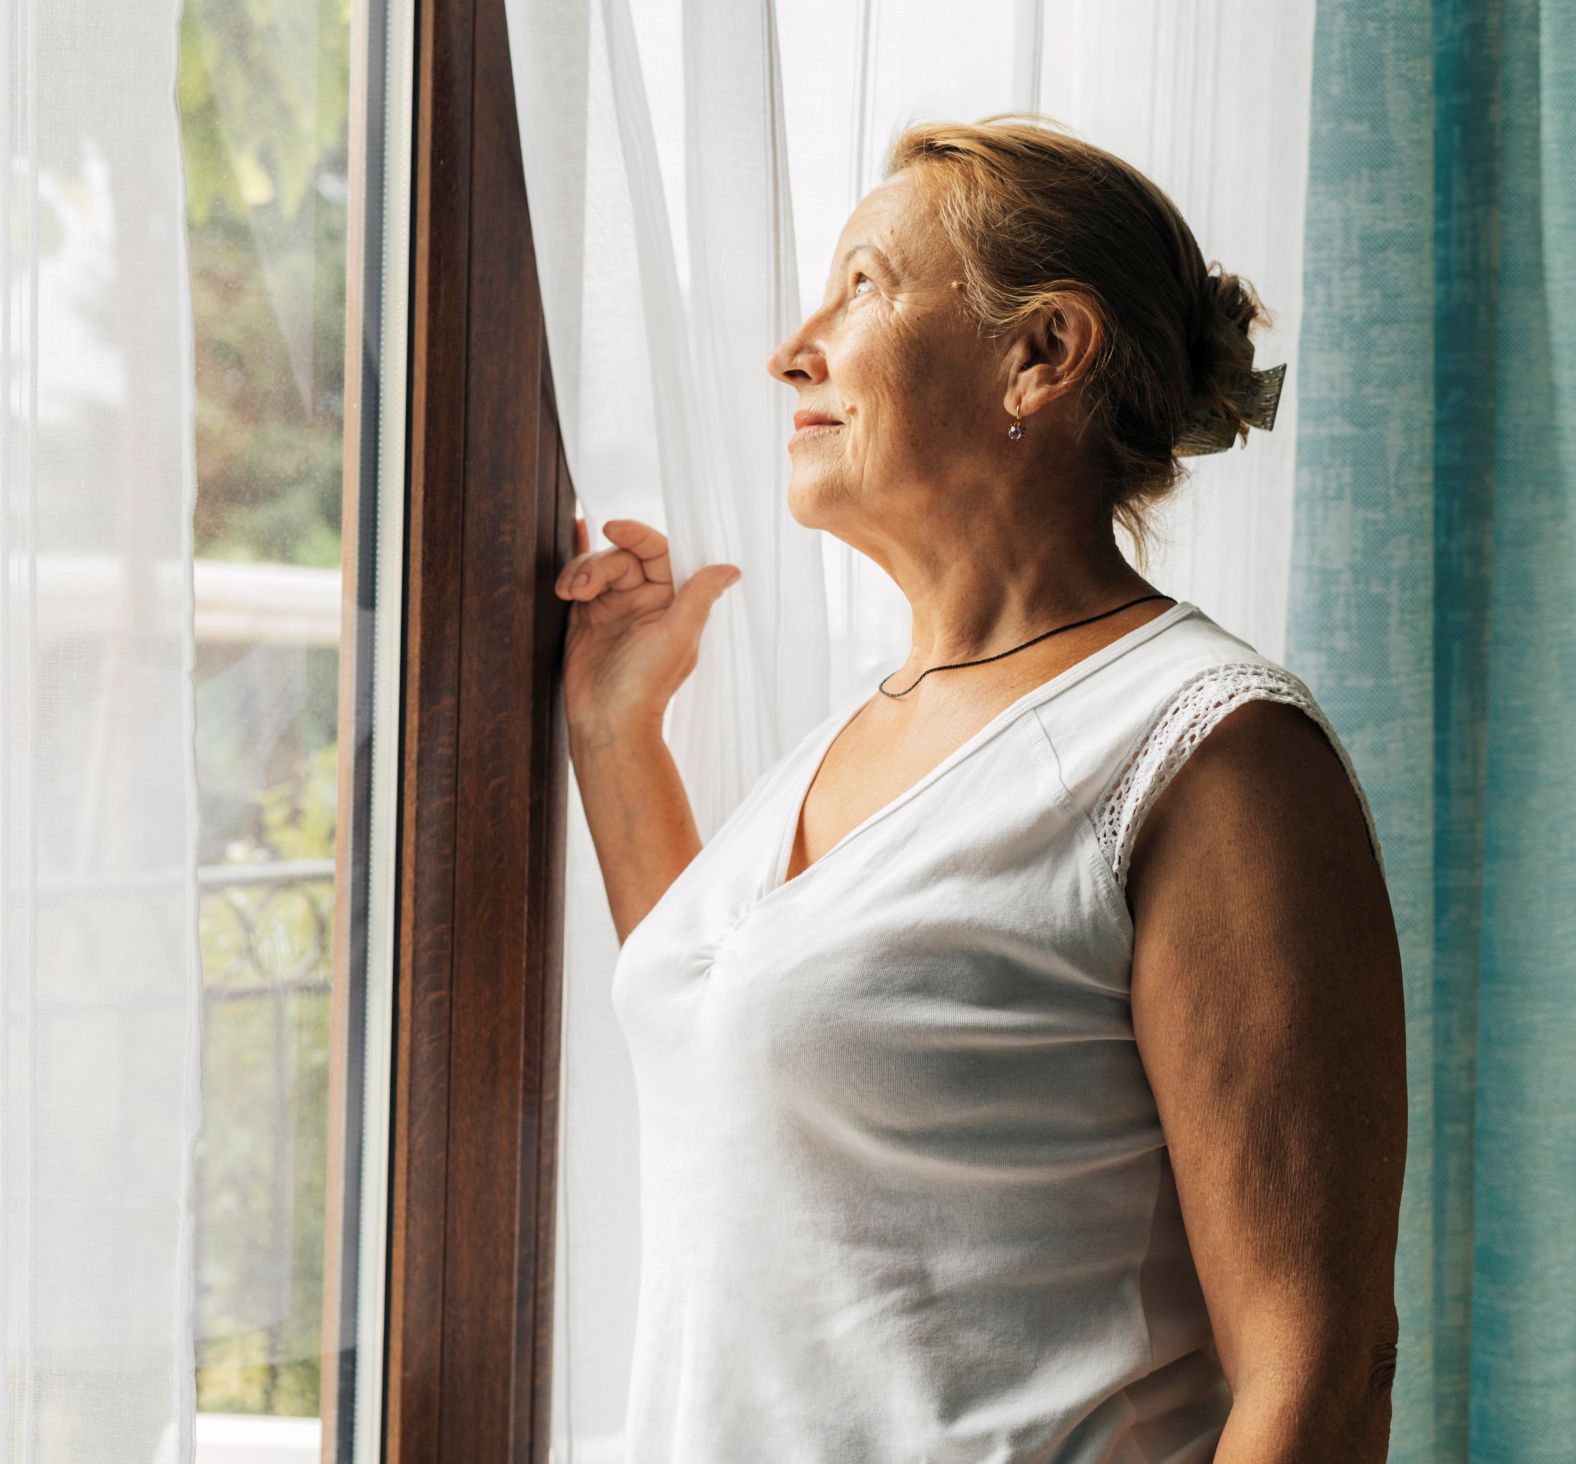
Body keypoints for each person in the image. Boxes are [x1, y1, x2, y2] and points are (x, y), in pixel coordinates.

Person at [553, 116, 1405, 1463]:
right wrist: (615, 733)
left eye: (867, 284)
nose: (794, 347)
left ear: (1043, 354)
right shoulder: (859, 732)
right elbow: (753, 1064)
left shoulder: (1209, 753)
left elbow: (1319, 1376)